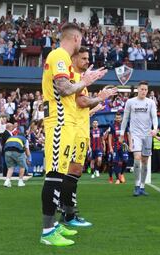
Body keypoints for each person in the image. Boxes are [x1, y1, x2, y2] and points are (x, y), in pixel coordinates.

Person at [40, 23, 107, 246]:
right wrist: (85, 82)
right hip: (59, 121)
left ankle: (54, 225)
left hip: (66, 122)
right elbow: (64, 89)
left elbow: (71, 89)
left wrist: (85, 81)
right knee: (54, 174)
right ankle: (48, 232)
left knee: (59, 174)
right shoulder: (59, 54)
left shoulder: (65, 60)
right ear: (76, 39)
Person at [60, 46, 116, 227]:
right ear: (74, 59)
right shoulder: (75, 78)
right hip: (73, 130)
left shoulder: (80, 80)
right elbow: (82, 102)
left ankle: (66, 210)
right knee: (72, 171)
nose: (86, 62)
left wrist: (94, 106)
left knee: (74, 171)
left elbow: (81, 107)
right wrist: (101, 97)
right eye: (83, 58)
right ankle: (69, 213)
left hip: (80, 128)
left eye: (87, 58)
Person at [120, 81, 158, 196]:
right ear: (138, 89)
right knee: (137, 158)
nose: (144, 91)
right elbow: (125, 118)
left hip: (147, 134)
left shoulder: (150, 102)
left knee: (145, 161)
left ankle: (142, 186)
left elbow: (154, 117)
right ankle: (136, 186)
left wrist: (155, 128)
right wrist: (122, 133)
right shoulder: (130, 102)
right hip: (135, 134)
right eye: (142, 89)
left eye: (146, 90)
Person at [108, 113, 127, 184]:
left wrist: (130, 145)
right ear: (115, 118)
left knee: (125, 160)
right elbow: (110, 137)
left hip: (124, 145)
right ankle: (117, 179)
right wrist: (110, 148)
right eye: (117, 118)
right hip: (115, 145)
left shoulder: (124, 125)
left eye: (119, 118)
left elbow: (128, 134)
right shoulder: (112, 126)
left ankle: (121, 174)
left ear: (121, 118)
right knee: (115, 162)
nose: (118, 119)